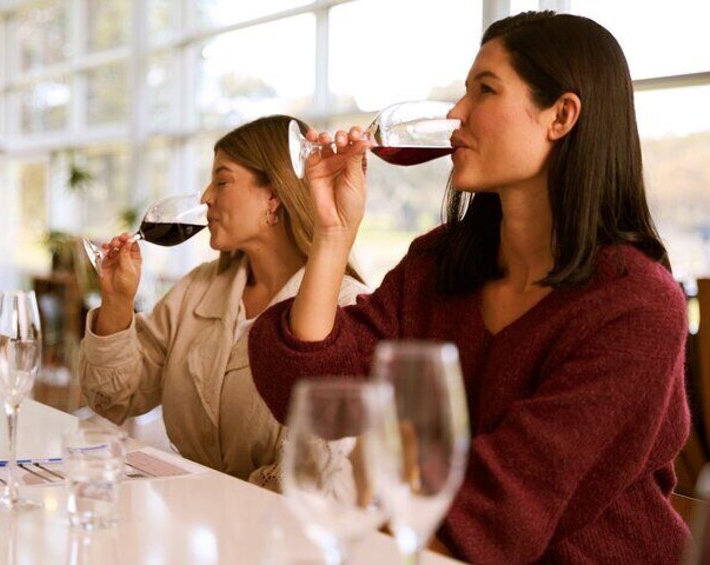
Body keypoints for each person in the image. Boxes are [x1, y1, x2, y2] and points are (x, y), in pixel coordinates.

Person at [248, 11, 689, 563]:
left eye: (485, 89)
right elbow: (306, 392)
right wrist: (333, 235)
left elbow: (497, 512)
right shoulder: (441, 263)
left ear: (561, 116)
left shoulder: (637, 307)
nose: (457, 112)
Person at [78, 115, 368, 491]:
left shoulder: (346, 307)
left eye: (222, 181)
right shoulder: (197, 289)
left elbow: (326, 476)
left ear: (273, 197)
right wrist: (117, 300)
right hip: (190, 517)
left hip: (275, 523)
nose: (205, 197)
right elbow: (113, 399)